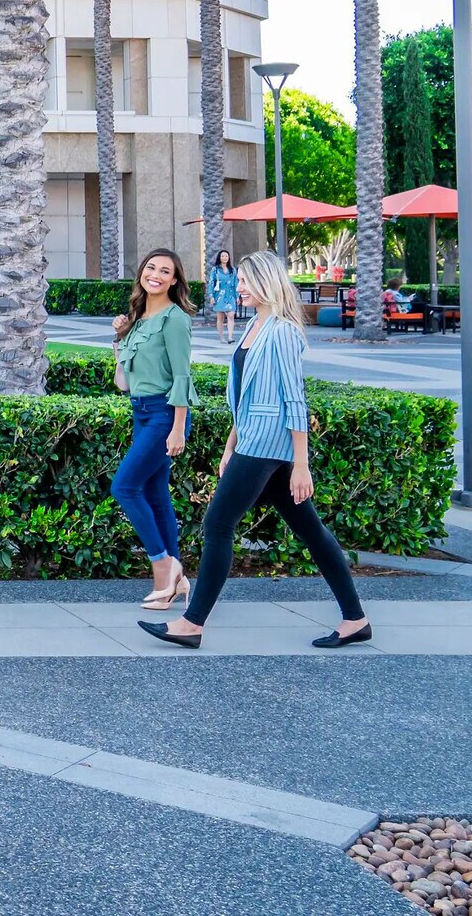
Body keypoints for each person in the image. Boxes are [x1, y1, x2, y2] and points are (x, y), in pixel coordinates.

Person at [141, 250, 370, 652]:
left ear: (266, 282)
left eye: (245, 281)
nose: (238, 287)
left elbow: (294, 399)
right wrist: (231, 444)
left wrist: (301, 464)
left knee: (217, 525)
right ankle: (356, 619)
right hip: (252, 439)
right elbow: (246, 395)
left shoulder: (281, 330)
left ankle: (192, 624)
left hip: (269, 443)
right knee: (311, 531)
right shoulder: (254, 325)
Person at [110, 248, 195, 610]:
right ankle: (173, 583)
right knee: (156, 495)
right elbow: (123, 384)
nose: (155, 275)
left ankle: (162, 564)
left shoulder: (175, 319)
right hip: (141, 411)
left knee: (124, 487)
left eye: (165, 271)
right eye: (150, 268)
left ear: (174, 281)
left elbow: (182, 376)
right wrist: (118, 340)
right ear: (142, 273)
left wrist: (178, 428)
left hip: (164, 414)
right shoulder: (138, 318)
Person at [206, 248, 239, 343]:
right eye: (223, 256)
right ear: (219, 258)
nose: (224, 258)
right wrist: (211, 296)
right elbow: (211, 282)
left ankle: (230, 336)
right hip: (219, 295)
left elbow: (236, 283)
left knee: (231, 315)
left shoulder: (232, 270)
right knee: (220, 317)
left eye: (226, 256)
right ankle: (221, 337)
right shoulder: (215, 270)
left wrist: (237, 296)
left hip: (230, 295)